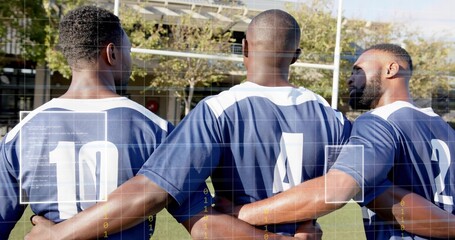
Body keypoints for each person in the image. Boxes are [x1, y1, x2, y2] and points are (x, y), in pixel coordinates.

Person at [25, 9, 351, 239]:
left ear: (246, 48)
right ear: (297, 55)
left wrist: (57, 235)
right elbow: (351, 185)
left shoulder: (216, 110)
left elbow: (153, 194)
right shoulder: (336, 119)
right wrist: (303, 221)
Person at [224, 43, 455, 239]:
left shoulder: (378, 122)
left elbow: (336, 190)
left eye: (357, 70)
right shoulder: (445, 129)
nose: (349, 79)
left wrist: (241, 214)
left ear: (391, 69)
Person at [0, 6, 181, 239]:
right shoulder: (157, 130)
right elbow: (202, 223)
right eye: (128, 50)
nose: (130, 59)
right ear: (112, 53)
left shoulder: (21, 134)